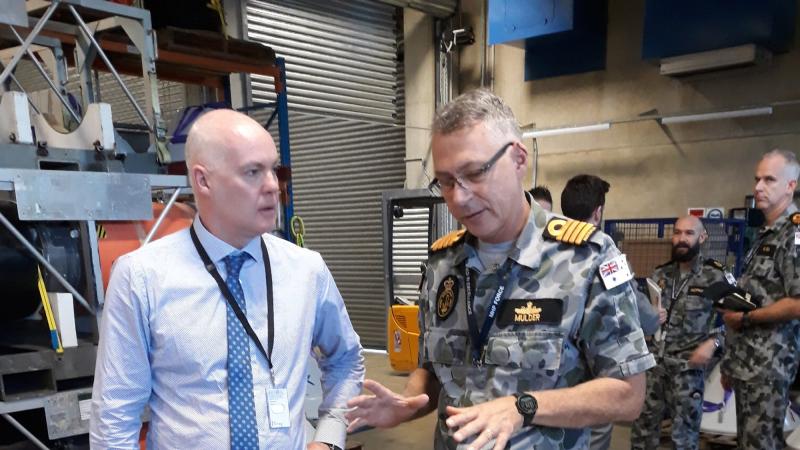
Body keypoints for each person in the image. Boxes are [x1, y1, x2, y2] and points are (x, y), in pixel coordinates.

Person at [345, 89, 655, 450]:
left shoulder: (586, 258)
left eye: (475, 173)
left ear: (519, 159)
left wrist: (524, 407)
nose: (459, 197)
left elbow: (628, 395)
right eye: (446, 181)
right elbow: (431, 370)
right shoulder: (441, 264)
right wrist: (406, 404)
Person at [90, 109, 364, 450]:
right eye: (252, 172)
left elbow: (347, 358)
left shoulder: (306, 270)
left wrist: (329, 439)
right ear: (203, 180)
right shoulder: (141, 277)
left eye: (273, 169)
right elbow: (115, 415)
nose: (272, 186)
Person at [560, 174, 661, 450]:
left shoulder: (546, 247)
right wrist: (654, 317)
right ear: (598, 212)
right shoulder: (601, 249)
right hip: (592, 376)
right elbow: (629, 302)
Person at [720, 149, 800, 450]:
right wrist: (731, 362)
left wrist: (745, 317)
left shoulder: (793, 233)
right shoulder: (765, 234)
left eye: (769, 180)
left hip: (768, 366)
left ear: (790, 186)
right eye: (757, 179)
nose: (758, 187)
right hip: (747, 363)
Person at [630, 216, 728, 450]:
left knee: (683, 437)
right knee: (642, 432)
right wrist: (650, 316)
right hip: (654, 366)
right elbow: (641, 319)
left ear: (702, 238)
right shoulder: (660, 275)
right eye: (677, 233)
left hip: (687, 370)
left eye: (689, 233)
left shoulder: (715, 276)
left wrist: (714, 343)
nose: (681, 239)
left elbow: (735, 323)